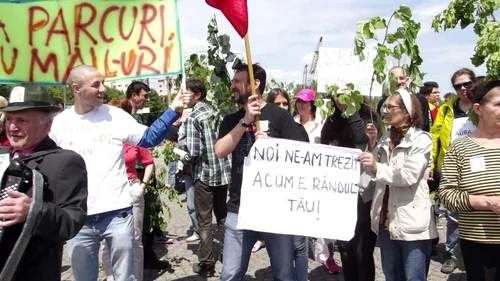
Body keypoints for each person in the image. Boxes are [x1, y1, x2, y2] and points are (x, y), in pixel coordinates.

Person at [49, 64, 188, 281]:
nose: (103, 89)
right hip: (79, 218)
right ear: (76, 89)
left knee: (125, 277)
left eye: (102, 82)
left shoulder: (115, 116)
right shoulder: (58, 124)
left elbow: (149, 138)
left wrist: (173, 108)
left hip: (118, 214)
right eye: (96, 85)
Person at [215, 63, 308, 281]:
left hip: (275, 208)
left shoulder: (280, 116)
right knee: (230, 273)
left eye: (237, 81)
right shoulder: (231, 119)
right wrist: (244, 121)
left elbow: (302, 156)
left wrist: (274, 145)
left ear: (255, 83)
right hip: (239, 208)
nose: (232, 86)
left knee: (285, 273)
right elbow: (220, 150)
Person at [0, 82, 88, 281]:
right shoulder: (2, 155)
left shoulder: (65, 161)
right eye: (9, 119)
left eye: (22, 120)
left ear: (46, 124)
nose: (12, 127)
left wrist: (34, 211)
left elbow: (72, 221)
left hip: (30, 271)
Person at [360, 89, 437, 281]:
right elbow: (372, 171)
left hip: (411, 222)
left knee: (413, 277)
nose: (385, 110)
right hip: (387, 220)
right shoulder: (386, 137)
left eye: (390, 107)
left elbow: (408, 176)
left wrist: (377, 167)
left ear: (406, 111)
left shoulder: (421, 139)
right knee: (391, 275)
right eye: (384, 106)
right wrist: (372, 143)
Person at [439, 80, 500, 280]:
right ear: (478, 108)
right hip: (477, 243)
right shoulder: (460, 149)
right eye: (498, 104)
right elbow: (446, 195)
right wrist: (486, 202)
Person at [321, 96, 379, 281]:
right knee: (345, 248)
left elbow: (361, 139)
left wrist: (350, 110)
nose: (339, 100)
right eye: (336, 96)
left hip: (362, 194)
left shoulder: (367, 116)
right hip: (338, 193)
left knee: (362, 251)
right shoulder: (332, 119)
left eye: (344, 94)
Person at [101, 98, 155, 281]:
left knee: (135, 239)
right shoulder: (101, 138)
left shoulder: (133, 137)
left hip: (131, 189)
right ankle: (111, 277)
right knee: (106, 242)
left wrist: (142, 186)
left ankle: (136, 277)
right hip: (107, 190)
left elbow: (149, 163)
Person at [429, 68, 477, 274]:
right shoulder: (446, 109)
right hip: (452, 167)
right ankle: (451, 255)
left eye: (467, 84)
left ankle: (474, 253)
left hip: (478, 167)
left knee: (479, 213)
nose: (463, 88)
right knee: (453, 215)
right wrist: (431, 165)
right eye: (458, 86)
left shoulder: (481, 106)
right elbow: (435, 137)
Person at [181, 79, 231, 276]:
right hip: (222, 173)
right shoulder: (217, 112)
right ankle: (229, 256)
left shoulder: (194, 117)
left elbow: (193, 152)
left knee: (204, 221)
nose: (185, 96)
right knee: (223, 216)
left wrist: (180, 157)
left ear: (198, 94)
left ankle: (206, 264)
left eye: (187, 92)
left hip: (204, 176)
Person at [377, 66, 431, 131]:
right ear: (389, 81)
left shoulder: (419, 99)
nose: (398, 81)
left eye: (401, 78)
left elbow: (425, 125)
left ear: (407, 80)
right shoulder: (383, 102)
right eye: (394, 78)